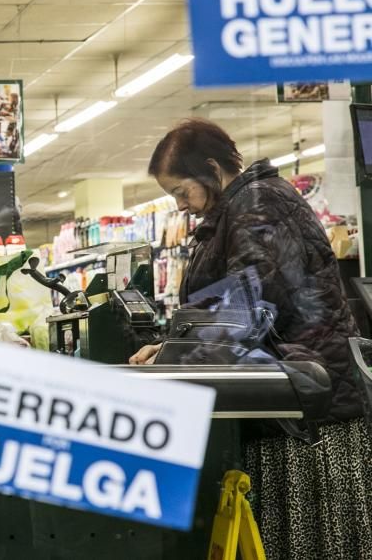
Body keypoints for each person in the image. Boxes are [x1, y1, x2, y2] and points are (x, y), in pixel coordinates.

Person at [130, 119, 372, 559]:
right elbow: (226, 301)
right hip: (292, 399)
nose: (182, 206)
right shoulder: (238, 209)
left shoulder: (260, 207)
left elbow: (251, 303)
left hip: (310, 412)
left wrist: (175, 352)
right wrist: (171, 344)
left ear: (210, 169)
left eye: (182, 191)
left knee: (312, 540)